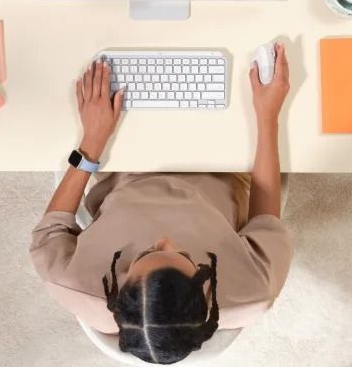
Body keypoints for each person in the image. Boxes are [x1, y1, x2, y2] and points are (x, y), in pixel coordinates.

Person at [31, 43, 293, 364]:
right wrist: (268, 117)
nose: (164, 239)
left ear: (116, 293)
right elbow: (265, 216)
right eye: (184, 256)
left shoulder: (72, 284)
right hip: (223, 167)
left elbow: (51, 228)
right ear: (206, 291)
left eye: (142, 255)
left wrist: (92, 142)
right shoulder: (255, 290)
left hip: (121, 163)